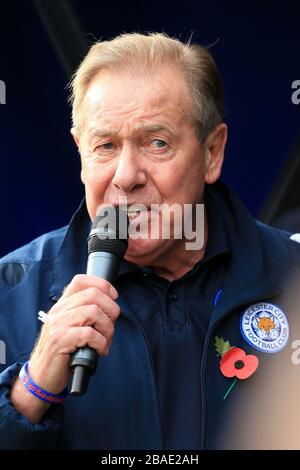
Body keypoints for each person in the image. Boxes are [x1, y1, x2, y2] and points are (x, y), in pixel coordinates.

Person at [1, 32, 300, 450]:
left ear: (212, 152)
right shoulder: (10, 288)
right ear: (80, 153)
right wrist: (30, 393)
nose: (126, 176)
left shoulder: (292, 274)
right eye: (104, 146)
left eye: (156, 143)